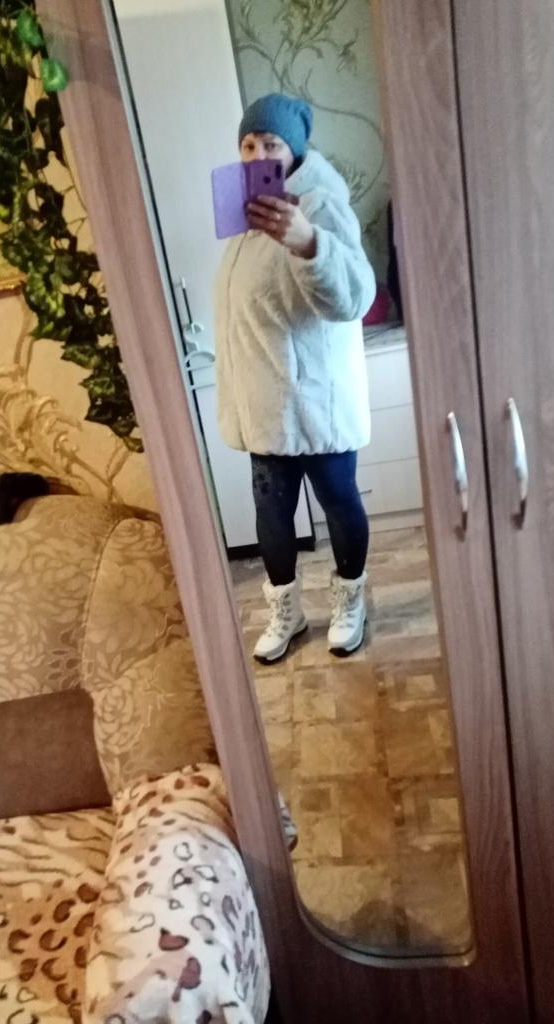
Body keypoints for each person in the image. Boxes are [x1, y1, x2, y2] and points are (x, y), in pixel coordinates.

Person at [214, 93, 376, 662]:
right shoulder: (242, 217)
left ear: (296, 151)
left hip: (315, 400)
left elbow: (355, 297)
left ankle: (351, 599)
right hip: (264, 402)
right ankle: (287, 611)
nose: (258, 154)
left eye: (271, 144)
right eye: (248, 145)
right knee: (271, 514)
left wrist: (308, 241)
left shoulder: (321, 205)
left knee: (338, 501)